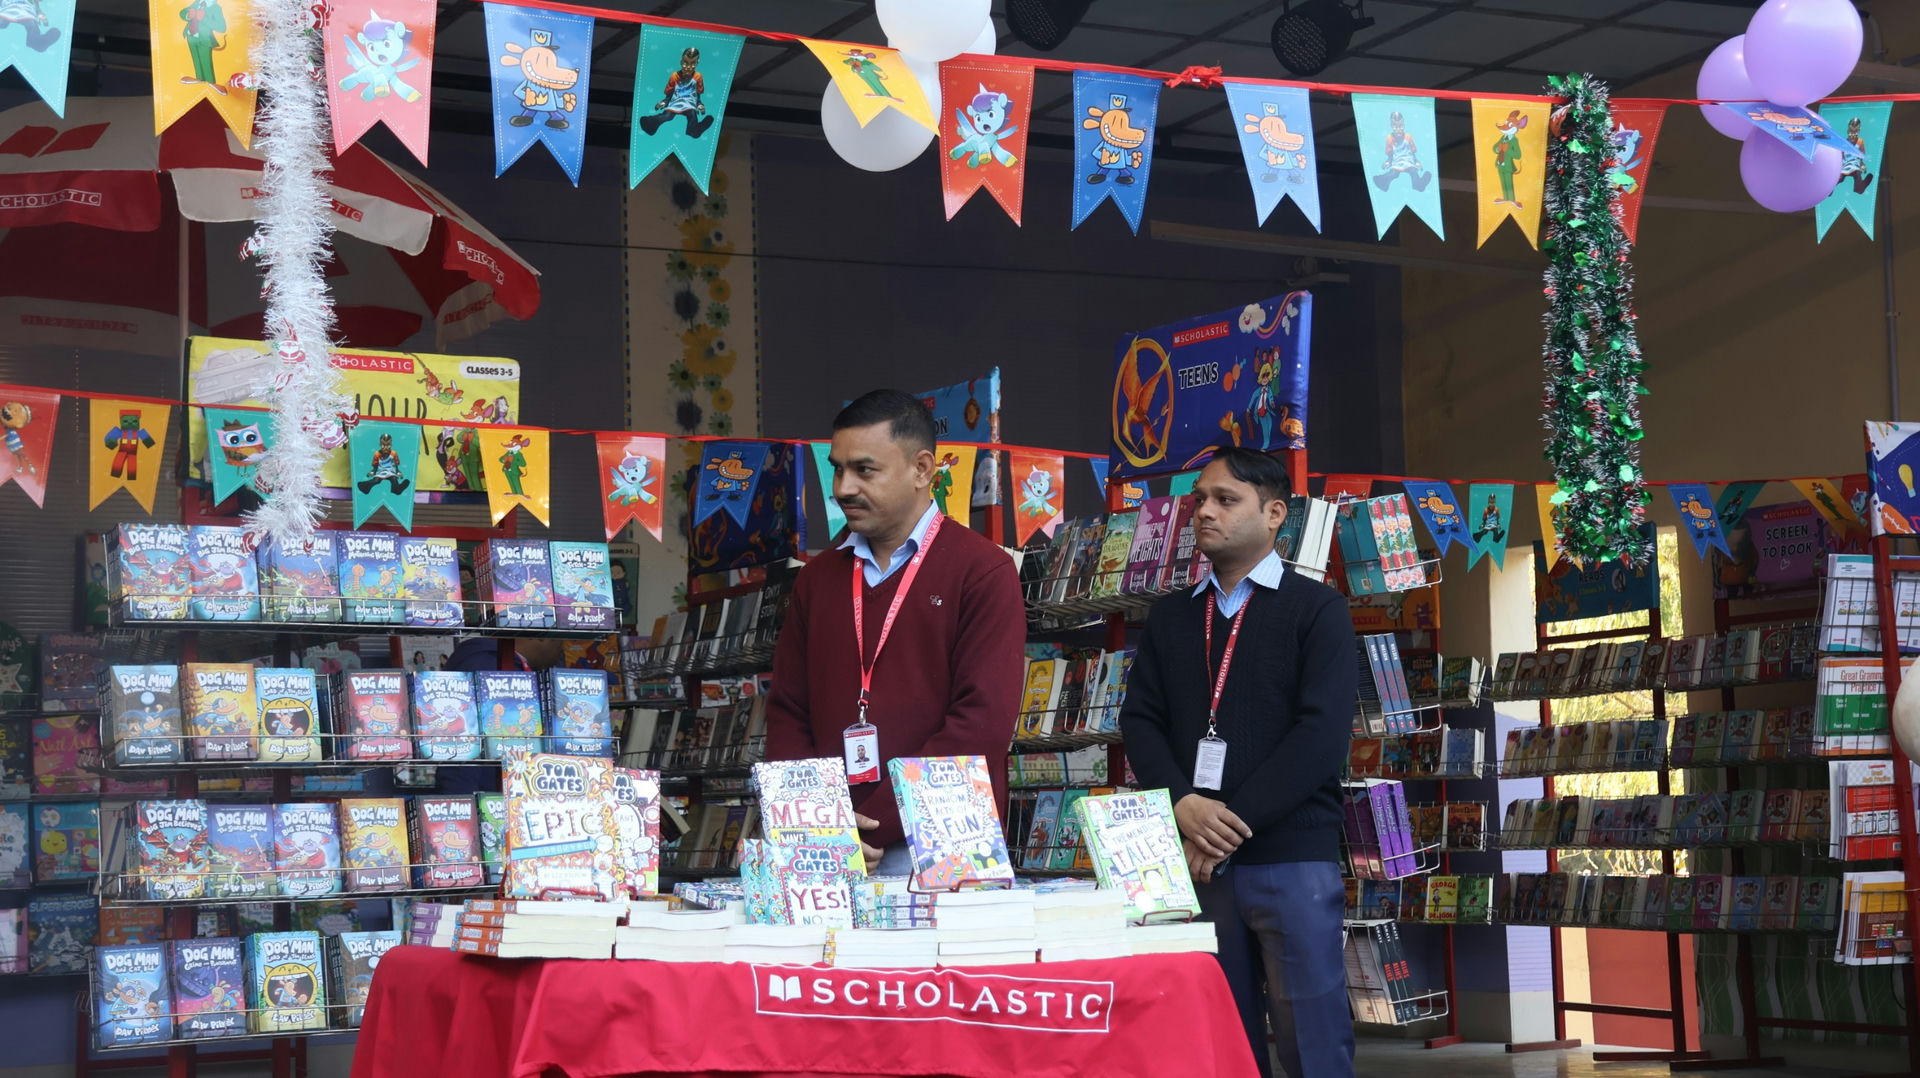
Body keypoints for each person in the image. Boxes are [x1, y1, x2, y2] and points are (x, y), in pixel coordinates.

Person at [1119, 445, 1356, 1078]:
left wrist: (1227, 823)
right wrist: (1182, 803)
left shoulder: (1318, 609)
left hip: (1289, 857)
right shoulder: (1170, 616)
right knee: (1218, 1043)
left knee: (1314, 1040)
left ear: (1274, 514)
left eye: (1226, 500)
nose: (1204, 511)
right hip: (1195, 860)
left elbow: (1321, 736)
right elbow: (1139, 721)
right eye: (1200, 499)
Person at [764, 389, 1026, 872]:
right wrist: (816, 824)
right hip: (827, 846)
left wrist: (867, 824)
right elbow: (788, 713)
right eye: (837, 469)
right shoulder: (816, 580)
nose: (843, 487)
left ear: (922, 469)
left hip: (946, 843)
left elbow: (981, 724)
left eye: (864, 470)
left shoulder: (983, 571)